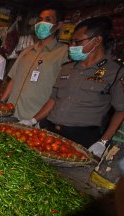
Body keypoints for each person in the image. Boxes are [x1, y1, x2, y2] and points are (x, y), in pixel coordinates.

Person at [19, 16, 124, 157]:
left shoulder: (115, 71)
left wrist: (103, 142)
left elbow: (121, 110)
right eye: (71, 42)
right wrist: (33, 120)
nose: (72, 46)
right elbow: (53, 99)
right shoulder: (67, 68)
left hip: (81, 140)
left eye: (77, 42)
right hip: (49, 133)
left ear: (96, 41)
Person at [0, 6, 68, 120]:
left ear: (59, 25)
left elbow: (60, 92)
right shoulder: (27, 51)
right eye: (40, 19)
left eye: (48, 19)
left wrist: (34, 120)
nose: (42, 23)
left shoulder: (63, 53)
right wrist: (1, 103)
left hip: (32, 119)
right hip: (9, 113)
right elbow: (13, 79)